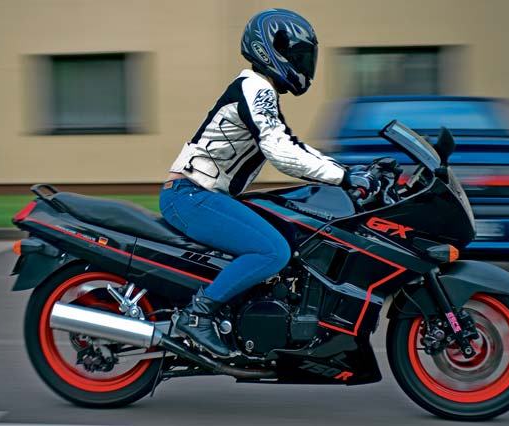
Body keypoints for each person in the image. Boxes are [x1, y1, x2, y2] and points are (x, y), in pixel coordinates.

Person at [160, 8, 380, 357]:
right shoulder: (255, 87)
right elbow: (279, 149)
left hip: (202, 196)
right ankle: (198, 315)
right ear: (270, 50)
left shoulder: (260, 92)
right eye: (297, 56)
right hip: (191, 196)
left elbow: (290, 143)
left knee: (291, 236)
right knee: (272, 250)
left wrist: (348, 171)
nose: (303, 64)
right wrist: (345, 176)